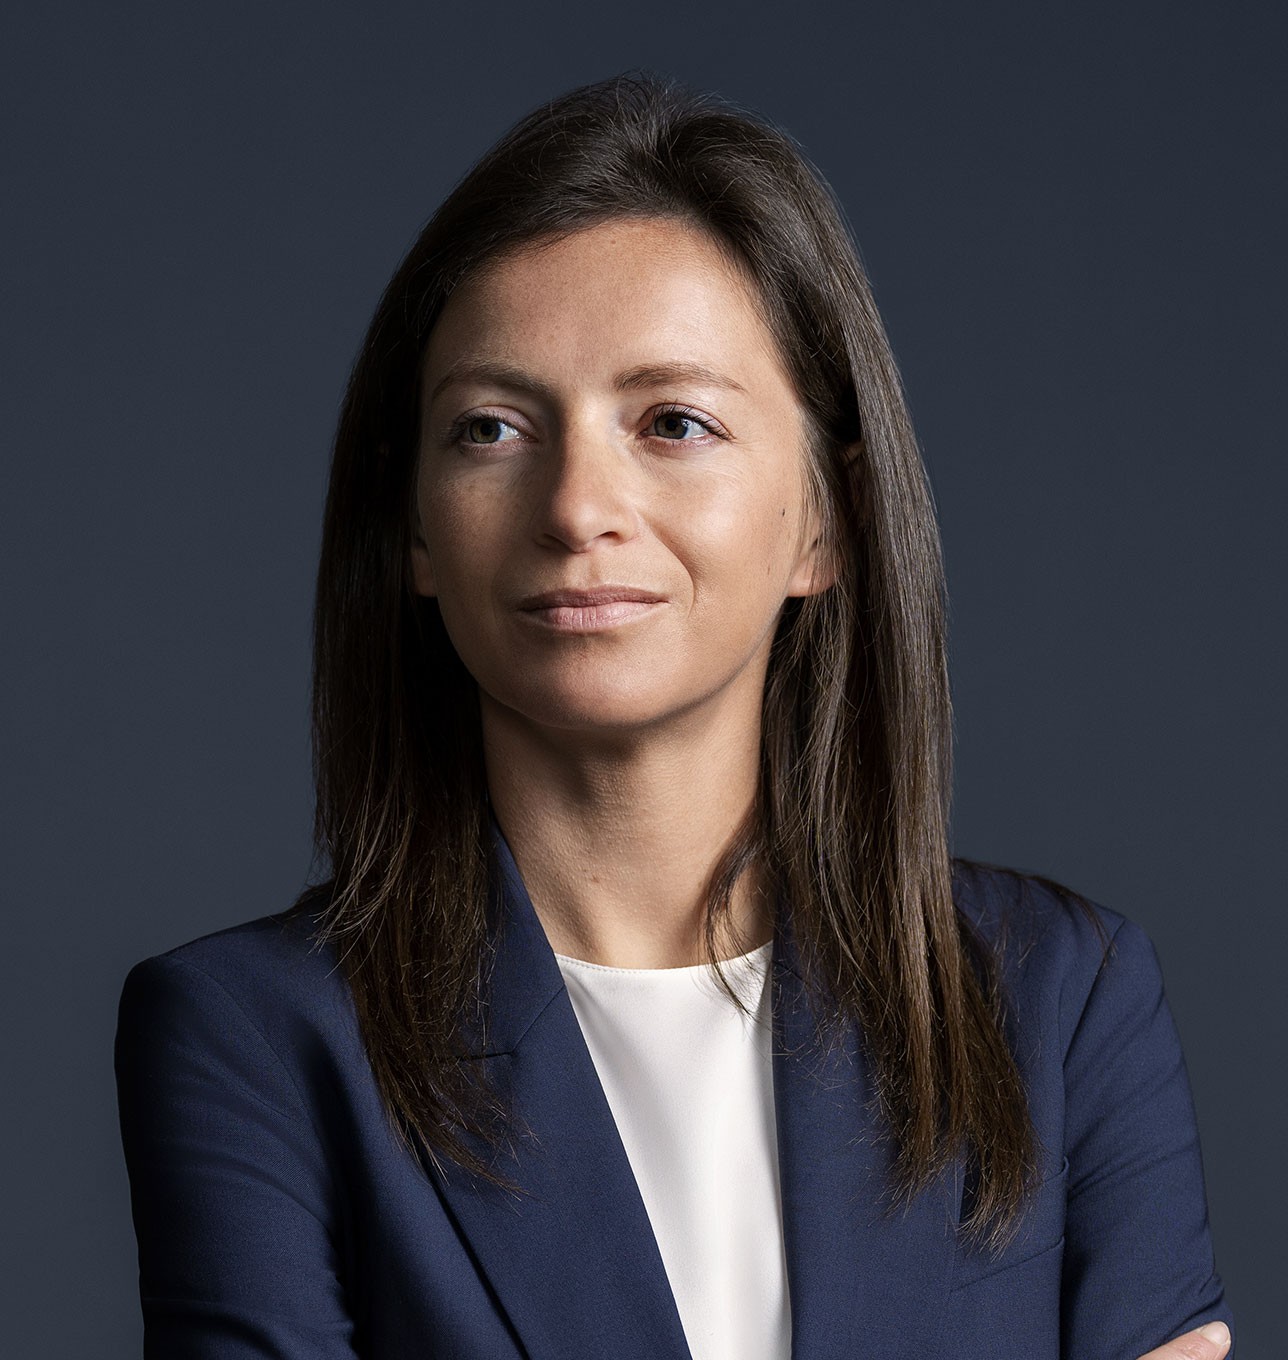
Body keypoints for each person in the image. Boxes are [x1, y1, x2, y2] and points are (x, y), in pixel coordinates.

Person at [114, 73, 1234, 1359]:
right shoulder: (254, 1035)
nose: (577, 506)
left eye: (674, 422)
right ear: (414, 527)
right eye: (491, 428)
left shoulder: (1060, 998)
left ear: (826, 521)